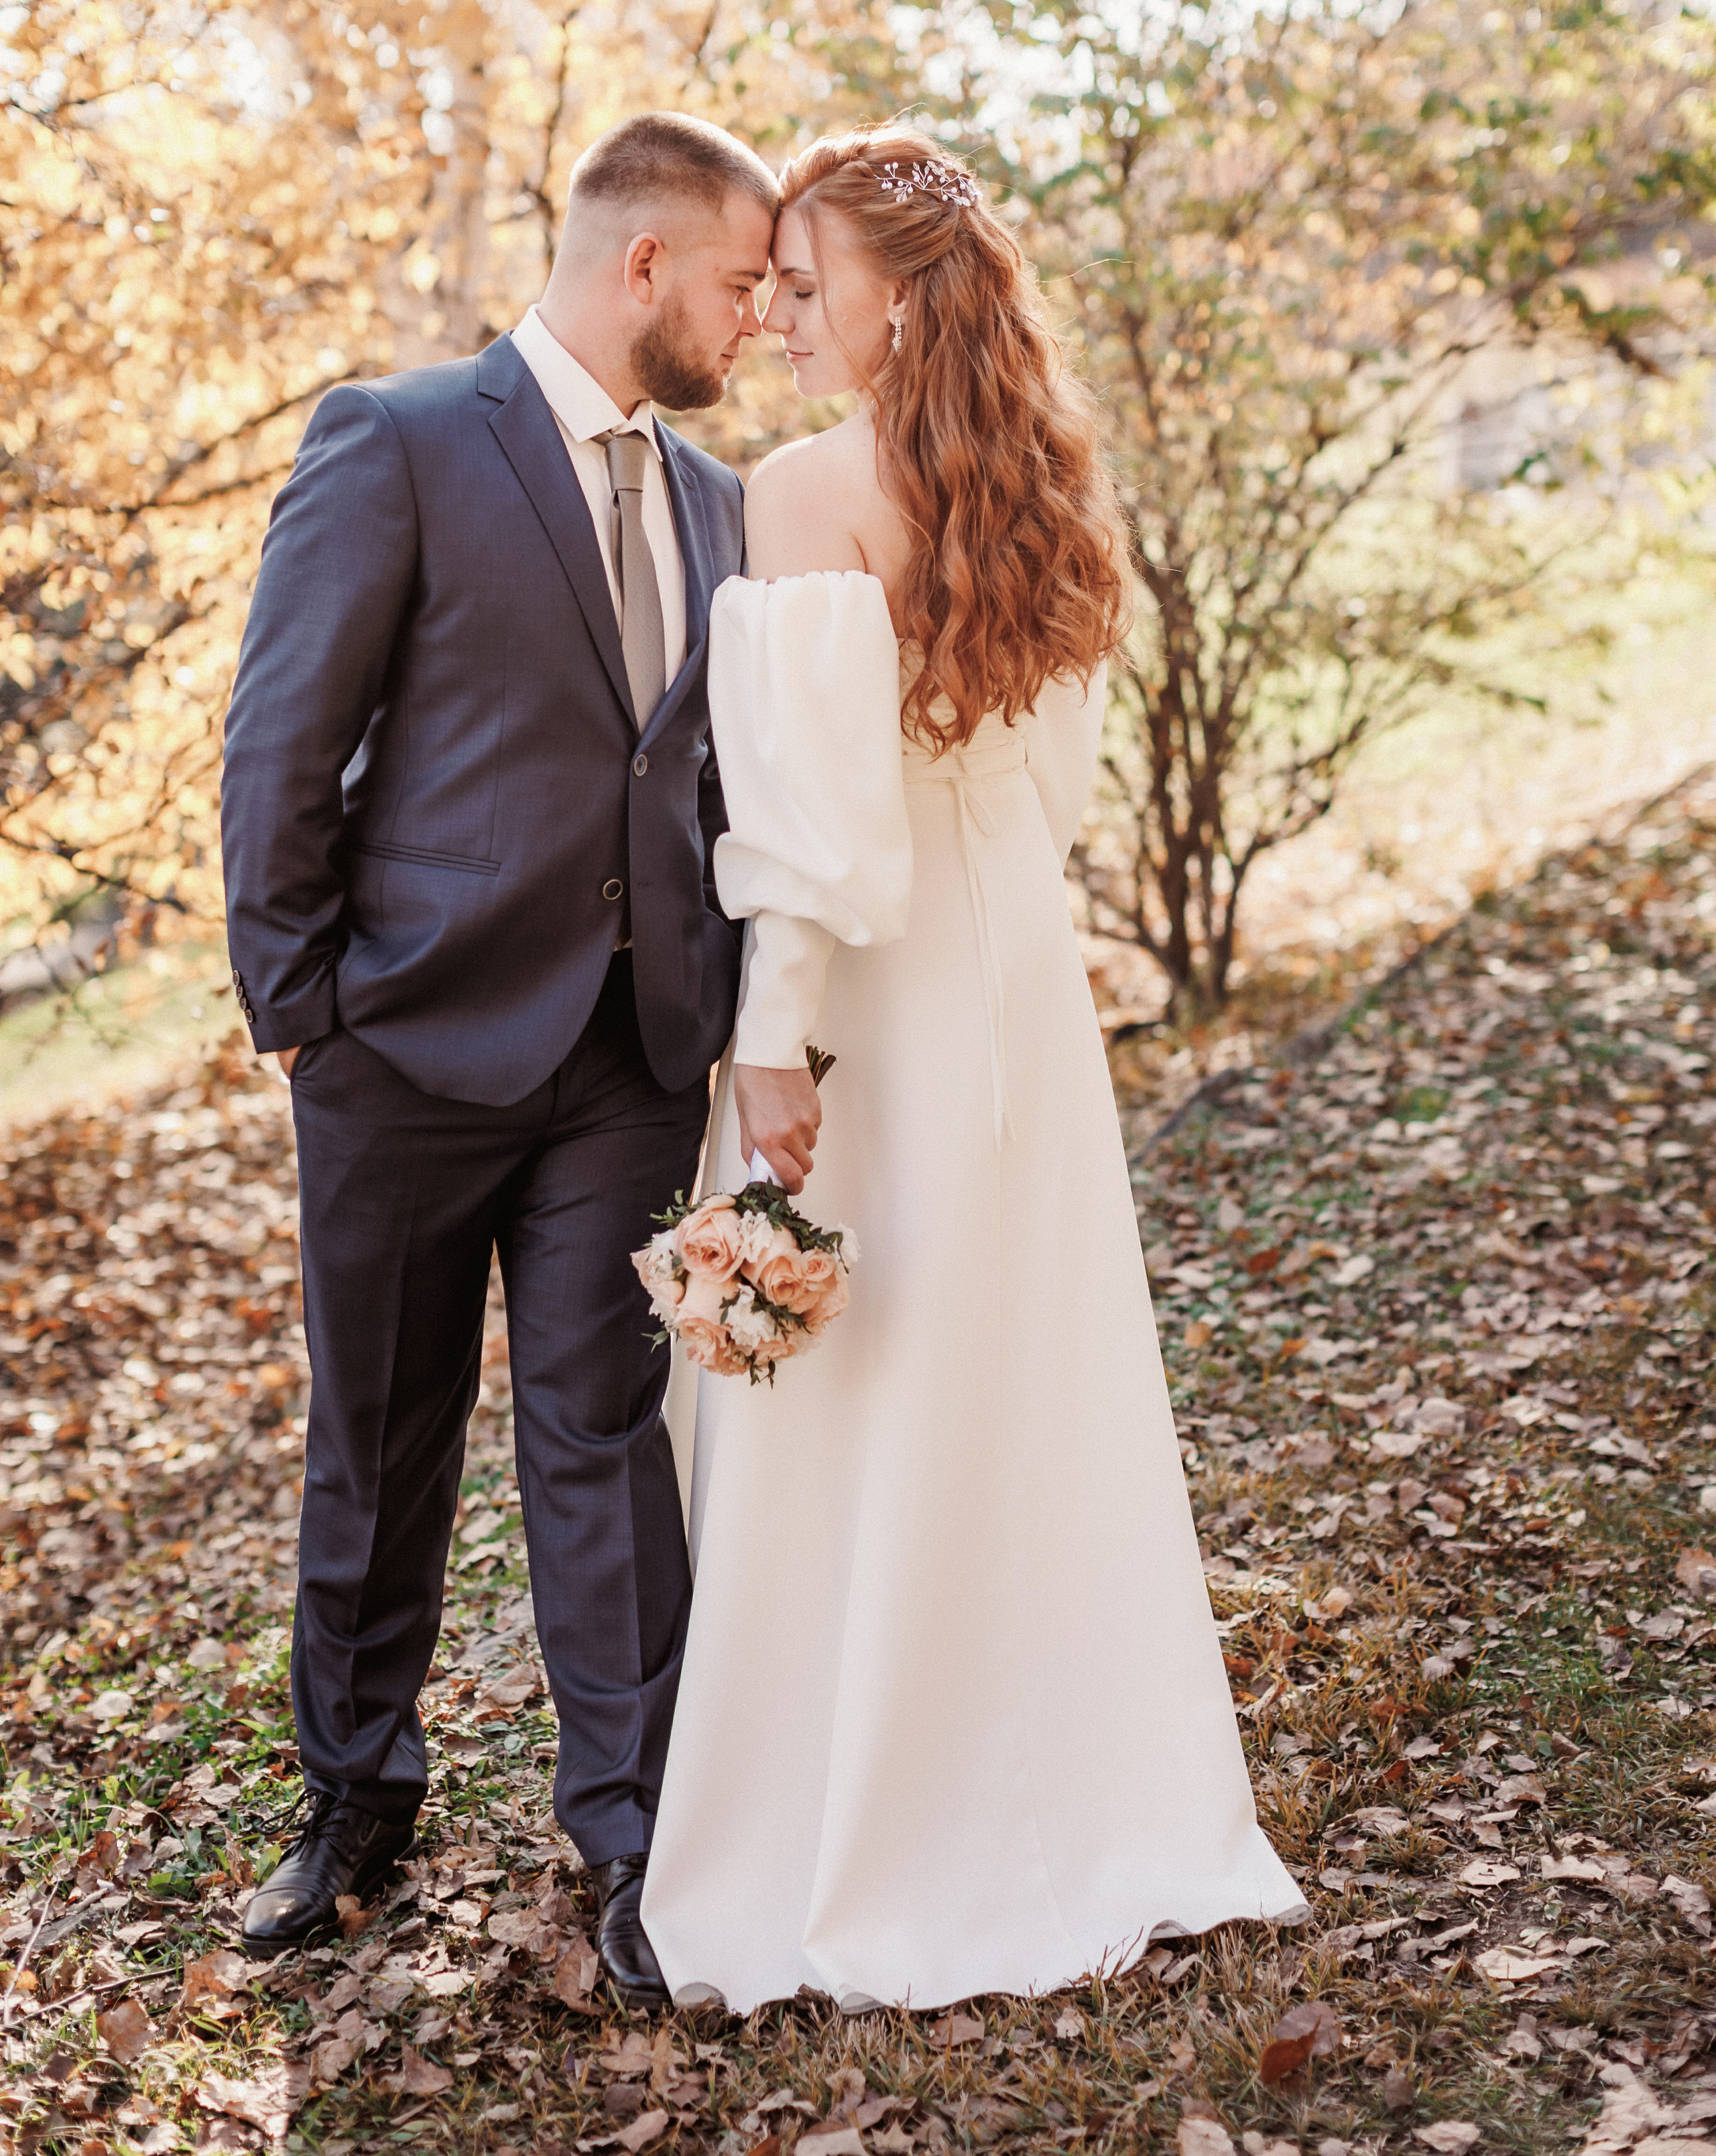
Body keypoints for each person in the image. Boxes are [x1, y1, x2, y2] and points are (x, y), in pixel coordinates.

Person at [643, 128, 1304, 2013]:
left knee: (854, 1379)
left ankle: (864, 1827)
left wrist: (776, 1040)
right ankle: (1085, 1791)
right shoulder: (1040, 479)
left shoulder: (801, 487)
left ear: (898, 295)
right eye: (763, 278)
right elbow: (1057, 787)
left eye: (803, 278)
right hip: (1012, 969)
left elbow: (814, 822)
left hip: (879, 983)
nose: (773, 308)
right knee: (1015, 1369)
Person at [220, 110, 777, 1996]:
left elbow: (698, 786)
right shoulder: (396, 441)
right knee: (377, 1445)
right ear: (644, 265)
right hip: (399, 1044)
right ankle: (356, 1802)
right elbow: (282, 743)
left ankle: (636, 1839)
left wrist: (726, 1008)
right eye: (738, 280)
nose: (755, 316)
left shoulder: (717, 508)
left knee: (605, 1443)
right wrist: (302, 1011)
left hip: (625, 1061)